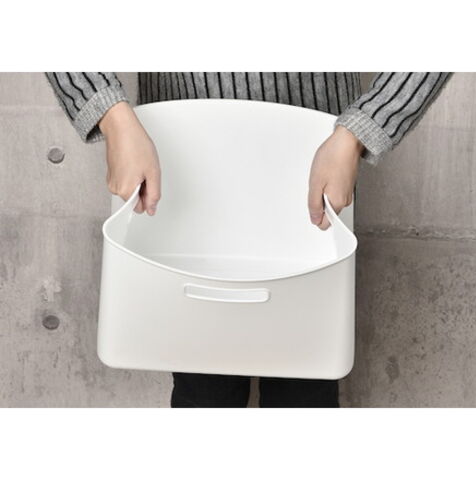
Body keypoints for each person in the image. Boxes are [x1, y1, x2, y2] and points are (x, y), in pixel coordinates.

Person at [46, 72, 451, 408]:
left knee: (304, 396)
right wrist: (112, 115)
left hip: (313, 174)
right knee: (204, 395)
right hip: (185, 175)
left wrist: (361, 129)